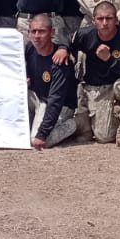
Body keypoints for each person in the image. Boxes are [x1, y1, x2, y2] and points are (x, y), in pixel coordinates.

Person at [69, 2, 120, 149]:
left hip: (119, 83)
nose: (104, 23)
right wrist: (63, 49)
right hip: (97, 87)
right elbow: (68, 45)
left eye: (109, 18)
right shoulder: (84, 34)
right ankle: (117, 114)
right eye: (100, 19)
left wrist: (109, 59)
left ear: (116, 20)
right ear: (93, 21)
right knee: (104, 137)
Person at [24, 14, 77, 148]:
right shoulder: (30, 48)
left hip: (59, 105)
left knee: (37, 141)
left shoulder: (60, 61)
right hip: (38, 97)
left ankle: (77, 123)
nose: (37, 36)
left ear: (52, 32)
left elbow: (55, 100)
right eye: (33, 31)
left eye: (42, 31)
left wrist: (42, 134)